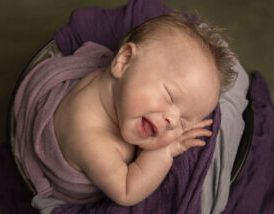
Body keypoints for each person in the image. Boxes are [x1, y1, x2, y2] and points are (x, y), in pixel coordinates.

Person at [52, 12, 237, 206]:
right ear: (124, 61)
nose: (172, 121)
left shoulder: (116, 88)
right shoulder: (92, 141)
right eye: (170, 96)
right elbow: (126, 192)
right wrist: (163, 153)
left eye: (183, 123)